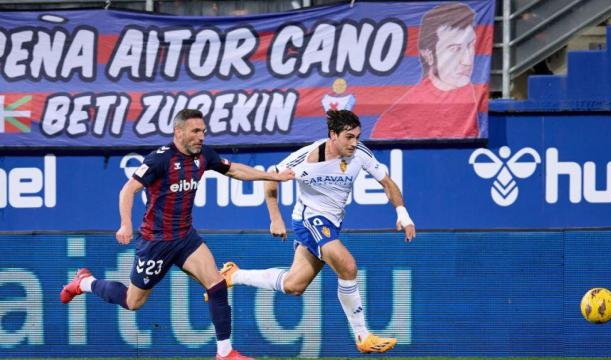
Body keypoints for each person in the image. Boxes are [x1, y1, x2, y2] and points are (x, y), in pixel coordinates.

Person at [60, 109, 294, 360]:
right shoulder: (159, 160)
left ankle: (225, 353)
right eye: (195, 131)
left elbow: (235, 170)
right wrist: (125, 224)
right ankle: (84, 282)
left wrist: (273, 177)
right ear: (178, 132)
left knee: (216, 283)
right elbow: (128, 191)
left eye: (203, 131)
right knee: (133, 302)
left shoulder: (204, 156)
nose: (201, 137)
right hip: (156, 242)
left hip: (185, 237)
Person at [214, 109, 416, 353]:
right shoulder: (307, 159)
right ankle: (363, 335)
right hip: (309, 219)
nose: (354, 143)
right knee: (348, 265)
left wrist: (403, 215)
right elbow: (270, 178)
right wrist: (275, 218)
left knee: (294, 285)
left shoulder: (360, 153)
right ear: (333, 135)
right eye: (348, 137)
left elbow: (387, 182)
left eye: (357, 137)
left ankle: (233, 275)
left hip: (332, 223)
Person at [372, 2, 486, 139]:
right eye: (455, 49)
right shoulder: (395, 122)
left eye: (471, 45)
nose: (467, 61)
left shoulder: (474, 92)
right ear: (428, 55)